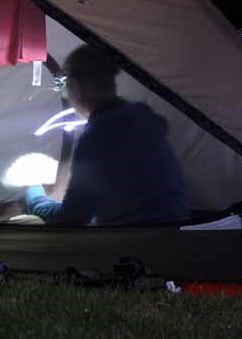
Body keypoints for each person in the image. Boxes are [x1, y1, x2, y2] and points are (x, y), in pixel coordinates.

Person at [24, 44, 190, 226]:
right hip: (176, 230)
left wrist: (33, 190)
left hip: (138, 242)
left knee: (25, 222)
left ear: (76, 87)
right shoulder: (141, 116)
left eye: (65, 86)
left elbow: (72, 218)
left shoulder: (96, 138)